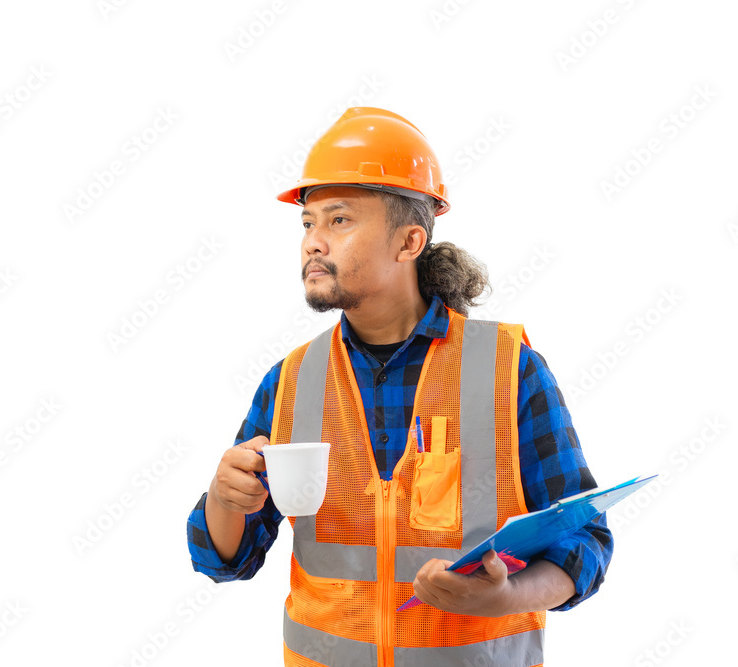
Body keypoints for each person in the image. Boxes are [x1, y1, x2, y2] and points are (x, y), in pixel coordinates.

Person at [186, 107, 613, 666]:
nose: (314, 241)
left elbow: (583, 542)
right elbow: (227, 558)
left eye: (339, 220)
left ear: (409, 241)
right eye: (308, 223)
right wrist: (224, 497)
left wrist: (508, 595)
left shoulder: (510, 368)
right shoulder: (291, 381)